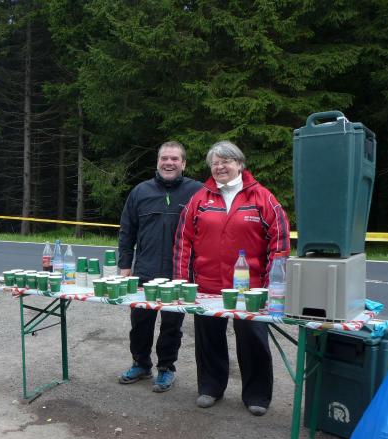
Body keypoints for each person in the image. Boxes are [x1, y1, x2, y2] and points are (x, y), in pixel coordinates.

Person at [173, 141, 290, 416]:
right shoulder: (199, 199)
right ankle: (210, 387)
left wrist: (273, 287)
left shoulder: (263, 198)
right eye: (215, 163)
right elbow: (183, 242)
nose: (219, 167)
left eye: (225, 161)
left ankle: (257, 394)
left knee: (253, 340)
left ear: (239, 164)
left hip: (251, 290)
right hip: (207, 286)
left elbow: (280, 243)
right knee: (208, 339)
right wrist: (182, 282)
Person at [117, 141, 202, 392]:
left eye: (175, 159)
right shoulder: (140, 192)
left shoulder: (198, 191)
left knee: (172, 326)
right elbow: (127, 231)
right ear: (157, 162)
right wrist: (125, 266)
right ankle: (141, 364)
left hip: (179, 273)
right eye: (164, 158)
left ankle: (166, 368)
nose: (169, 163)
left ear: (183, 163)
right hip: (144, 271)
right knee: (140, 323)